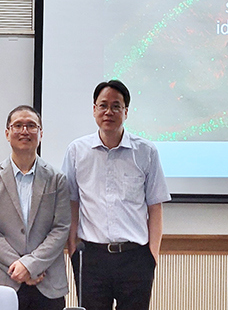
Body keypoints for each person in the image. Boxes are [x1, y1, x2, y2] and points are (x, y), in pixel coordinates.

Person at [62, 80, 170, 310]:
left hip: (135, 258)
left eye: (116, 106)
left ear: (126, 112)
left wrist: (152, 257)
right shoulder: (76, 151)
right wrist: (73, 251)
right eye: (103, 105)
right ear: (94, 110)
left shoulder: (146, 152)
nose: (108, 112)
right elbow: (71, 204)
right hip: (92, 258)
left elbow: (155, 208)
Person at [0, 105, 70, 310]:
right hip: (5, 282)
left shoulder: (57, 179)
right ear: (7, 133)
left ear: (41, 133)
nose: (24, 131)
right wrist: (19, 267)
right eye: (18, 125)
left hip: (48, 282)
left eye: (31, 126)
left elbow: (61, 228)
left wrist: (31, 265)